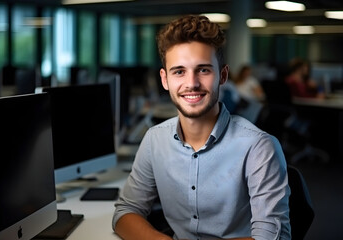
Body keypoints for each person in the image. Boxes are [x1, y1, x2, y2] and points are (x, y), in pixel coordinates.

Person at [112, 15, 291, 240]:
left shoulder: (258, 146)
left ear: (223, 75)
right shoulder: (154, 140)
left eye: (204, 70)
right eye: (179, 71)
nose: (192, 83)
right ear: (165, 79)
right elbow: (126, 211)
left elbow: (274, 238)